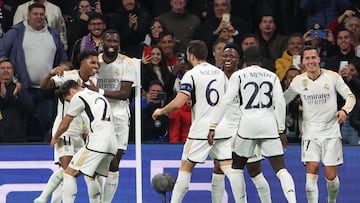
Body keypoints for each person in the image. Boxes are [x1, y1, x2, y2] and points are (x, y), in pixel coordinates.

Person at [152, 40, 244, 203]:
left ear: (191, 55)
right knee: (230, 169)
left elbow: (180, 102)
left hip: (201, 129)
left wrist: (162, 110)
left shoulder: (191, 74)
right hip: (221, 128)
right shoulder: (220, 74)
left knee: (186, 168)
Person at [209, 46, 297, 203]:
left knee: (236, 168)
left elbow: (226, 101)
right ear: (261, 60)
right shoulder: (272, 76)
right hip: (269, 125)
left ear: (244, 60)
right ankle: (292, 200)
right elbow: (280, 103)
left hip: (247, 125)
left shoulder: (239, 75)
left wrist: (213, 125)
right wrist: (281, 130)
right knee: (281, 169)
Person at [284, 46, 356, 203]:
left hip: (331, 133)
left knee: (331, 178)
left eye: (313, 58)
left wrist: (344, 111)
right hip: (310, 134)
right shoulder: (298, 81)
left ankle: (331, 200)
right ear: (303, 62)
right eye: (307, 58)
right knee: (312, 171)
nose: (310, 61)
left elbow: (351, 97)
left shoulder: (332, 77)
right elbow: (283, 100)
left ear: (318, 59)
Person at [34, 50, 100, 203]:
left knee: (70, 172)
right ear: (82, 63)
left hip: (80, 133)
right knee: (68, 171)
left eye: (97, 63)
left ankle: (44, 199)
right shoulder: (69, 76)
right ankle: (43, 198)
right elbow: (44, 86)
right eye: (93, 62)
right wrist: (51, 74)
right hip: (64, 131)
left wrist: (87, 129)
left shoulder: (94, 82)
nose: (96, 66)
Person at [0, 3, 68, 142]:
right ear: (28, 15)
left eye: (41, 14)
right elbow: (2, 52)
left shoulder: (53, 34)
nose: (38, 17)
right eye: (35, 14)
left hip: (46, 89)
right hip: (22, 87)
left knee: (47, 121)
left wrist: (63, 67)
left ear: (45, 15)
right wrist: (10, 79)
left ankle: (45, 153)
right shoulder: (16, 32)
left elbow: (63, 59)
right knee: (24, 122)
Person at [84, 29, 136, 203]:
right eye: (109, 41)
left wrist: (98, 91)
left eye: (116, 42)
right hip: (98, 116)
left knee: (114, 163)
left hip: (120, 115)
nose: (112, 45)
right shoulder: (93, 62)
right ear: (102, 43)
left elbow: (124, 94)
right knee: (97, 161)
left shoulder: (127, 63)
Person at [50, 80, 117, 203]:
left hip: (98, 140)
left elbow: (66, 122)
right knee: (92, 176)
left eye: (68, 100)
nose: (70, 102)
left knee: (69, 173)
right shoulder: (97, 95)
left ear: (71, 91)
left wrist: (55, 137)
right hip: (113, 143)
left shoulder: (78, 96)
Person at [0, 57, 33, 143]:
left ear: (13, 71)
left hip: (17, 134)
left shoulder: (19, 88)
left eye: (8, 68)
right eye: (2, 68)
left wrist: (16, 95)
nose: (6, 70)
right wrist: (5, 96)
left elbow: (30, 108)